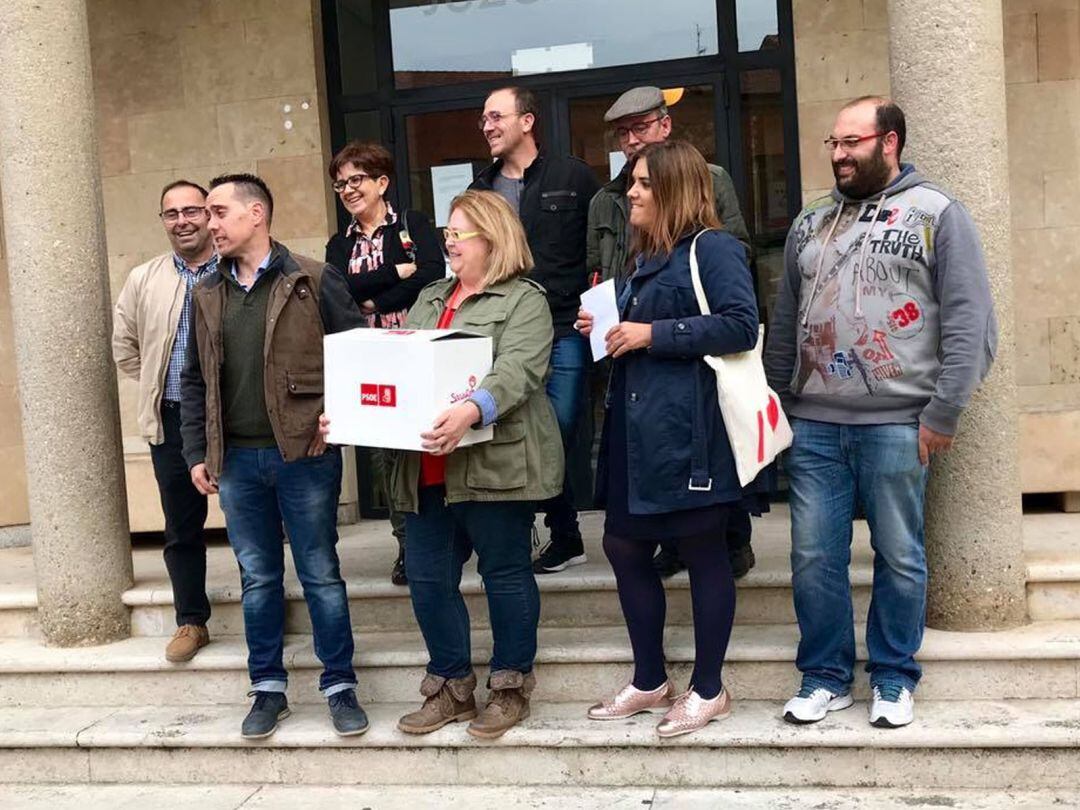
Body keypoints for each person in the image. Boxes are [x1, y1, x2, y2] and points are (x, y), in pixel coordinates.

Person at [764, 97, 997, 729]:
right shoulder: (811, 223)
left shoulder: (936, 213)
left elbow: (970, 319)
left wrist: (943, 412)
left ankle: (893, 677)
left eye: (851, 142)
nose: (838, 154)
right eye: (832, 144)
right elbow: (785, 318)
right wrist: (778, 400)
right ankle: (825, 676)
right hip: (814, 422)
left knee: (899, 553)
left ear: (888, 141)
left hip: (900, 422)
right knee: (814, 556)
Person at [579, 140, 759, 738]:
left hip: (692, 432)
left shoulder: (715, 248)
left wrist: (652, 332)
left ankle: (709, 689)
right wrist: (605, 327)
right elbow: (635, 334)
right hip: (639, 431)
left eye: (646, 183)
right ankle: (651, 680)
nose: (632, 191)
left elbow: (739, 323)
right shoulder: (643, 258)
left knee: (704, 550)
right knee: (624, 545)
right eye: (632, 181)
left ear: (677, 190)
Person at [180, 173, 369, 740]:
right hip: (235, 462)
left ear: (255, 213)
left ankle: (339, 685)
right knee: (258, 579)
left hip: (304, 457)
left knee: (320, 574)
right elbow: (193, 381)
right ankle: (267, 688)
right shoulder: (206, 291)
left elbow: (356, 354)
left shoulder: (311, 277)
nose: (210, 224)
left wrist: (341, 418)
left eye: (218, 212)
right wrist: (196, 451)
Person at [390, 190, 562, 739]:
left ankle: (509, 689)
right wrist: (350, 414)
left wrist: (472, 408)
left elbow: (520, 369)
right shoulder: (430, 296)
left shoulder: (524, 300)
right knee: (427, 579)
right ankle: (450, 688)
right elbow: (397, 368)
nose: (449, 242)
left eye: (459, 233)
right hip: (425, 468)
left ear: (492, 238)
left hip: (494, 464)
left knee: (505, 575)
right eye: (447, 233)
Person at [587, 85, 760, 581]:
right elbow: (603, 267)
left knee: (707, 524)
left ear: (664, 126)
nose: (631, 139)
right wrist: (606, 312)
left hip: (691, 370)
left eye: (639, 128)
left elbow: (732, 263)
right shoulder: (608, 198)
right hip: (638, 358)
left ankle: (731, 540)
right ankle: (675, 543)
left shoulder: (706, 181)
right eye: (623, 133)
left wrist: (657, 322)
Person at [468, 86, 600, 575]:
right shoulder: (481, 190)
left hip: (563, 327)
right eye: (483, 119)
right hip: (501, 333)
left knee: (556, 433)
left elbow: (597, 247)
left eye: (495, 116)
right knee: (510, 432)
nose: (487, 126)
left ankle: (562, 531)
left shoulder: (572, 175)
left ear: (527, 121)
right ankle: (535, 533)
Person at [324, 140, 445, 586]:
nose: (348, 190)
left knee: (419, 446)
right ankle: (405, 545)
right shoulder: (339, 244)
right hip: (370, 360)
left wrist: (374, 294)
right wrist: (397, 273)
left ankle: (434, 537)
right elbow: (339, 290)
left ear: (381, 182)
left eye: (356, 180)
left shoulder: (412, 225)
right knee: (385, 456)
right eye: (341, 184)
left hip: (415, 352)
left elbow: (432, 274)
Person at [112, 180, 217, 663]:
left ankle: (266, 614)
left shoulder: (236, 269)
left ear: (210, 213)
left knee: (256, 522)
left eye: (192, 210)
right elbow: (125, 347)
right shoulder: (144, 279)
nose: (182, 221)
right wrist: (159, 385)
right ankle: (191, 621)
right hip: (172, 420)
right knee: (181, 527)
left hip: (233, 420)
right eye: (171, 213)